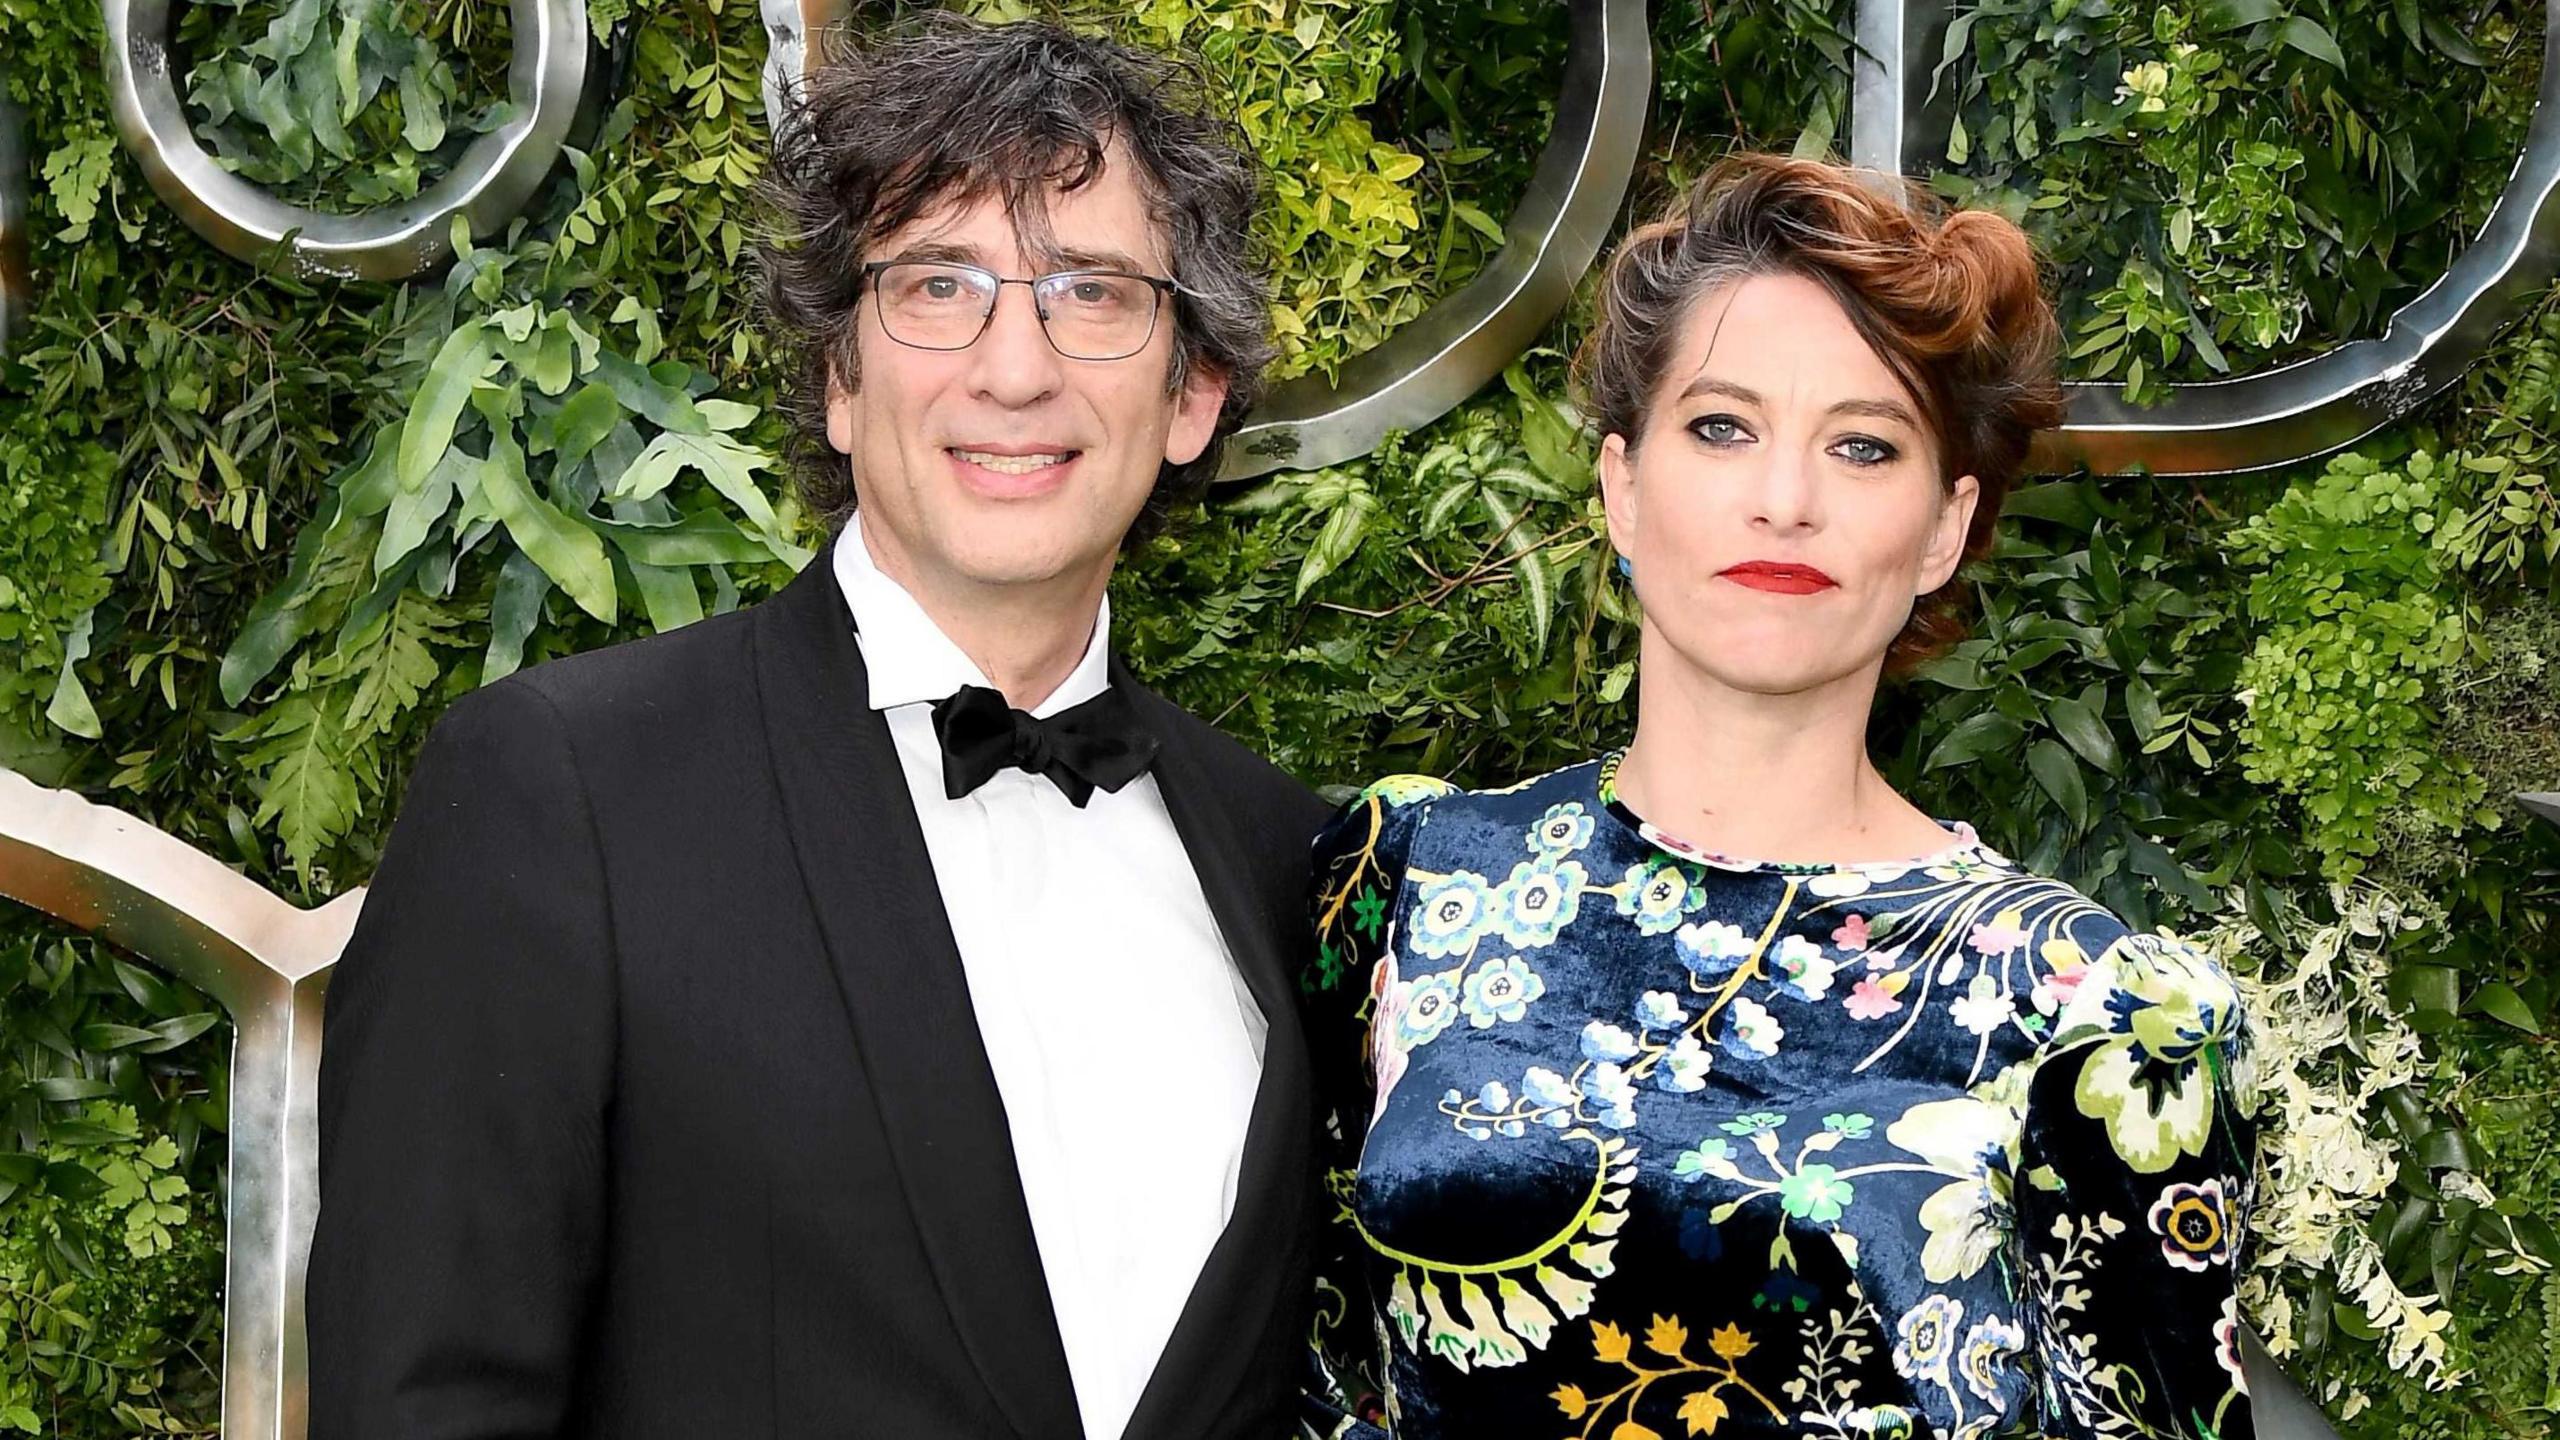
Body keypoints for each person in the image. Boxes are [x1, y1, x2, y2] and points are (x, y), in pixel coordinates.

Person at [306, 17, 1328, 1439]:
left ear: (1193, 393)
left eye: (1091, 293)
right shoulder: (562, 792)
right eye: (937, 285)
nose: (1014, 369)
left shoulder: (1297, 863)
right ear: (841, 377)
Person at [1303, 154, 2256, 1439]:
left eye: (1862, 447)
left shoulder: (2105, 1014)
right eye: (1721, 427)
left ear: (1940, 528)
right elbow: (1304, 1374)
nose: (1785, 499)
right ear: (1621, 488)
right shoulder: (1410, 873)